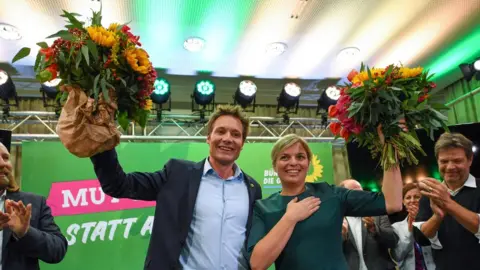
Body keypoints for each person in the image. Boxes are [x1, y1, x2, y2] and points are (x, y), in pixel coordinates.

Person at [90, 105, 262, 269]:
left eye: (235, 134)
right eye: (220, 131)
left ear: (243, 142)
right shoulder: (178, 174)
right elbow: (118, 185)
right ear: (208, 137)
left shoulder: (253, 188)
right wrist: (100, 138)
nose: (227, 139)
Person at [247, 134, 403, 270]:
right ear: (274, 166)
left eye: (300, 157)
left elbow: (392, 202)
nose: (293, 162)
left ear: (308, 164)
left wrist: (389, 147)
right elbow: (257, 264)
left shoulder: (331, 194)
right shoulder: (263, 208)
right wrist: (290, 218)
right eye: (284, 157)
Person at [416, 132, 480, 270]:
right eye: (444, 161)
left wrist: (447, 203)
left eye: (457, 161)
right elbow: (421, 239)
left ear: (470, 160)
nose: (450, 167)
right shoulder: (429, 194)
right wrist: (437, 216)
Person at [0, 142, 67, 269]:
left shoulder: (33, 203)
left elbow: (58, 250)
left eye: (6, 157)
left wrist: (25, 232)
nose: (3, 163)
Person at [340, 179, 398, 270]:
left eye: (361, 192)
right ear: (343, 196)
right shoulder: (336, 218)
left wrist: (375, 229)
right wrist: (341, 237)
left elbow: (392, 241)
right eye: (354, 193)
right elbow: (328, 251)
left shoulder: (378, 213)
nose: (360, 196)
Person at [391, 183, 435, 270]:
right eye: (408, 197)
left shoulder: (433, 221)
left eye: (417, 197)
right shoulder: (396, 227)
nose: (412, 200)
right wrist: (410, 230)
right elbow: (398, 256)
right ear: (403, 202)